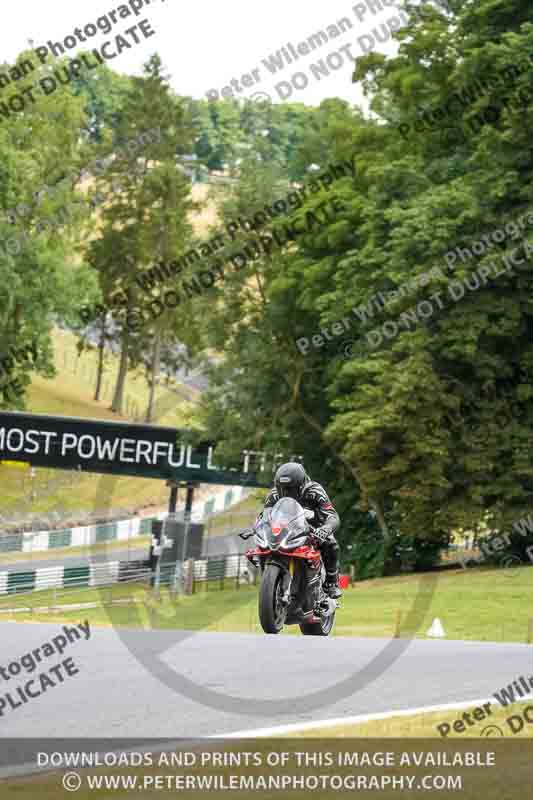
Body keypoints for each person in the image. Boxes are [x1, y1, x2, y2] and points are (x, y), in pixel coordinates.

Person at [258, 462, 342, 598]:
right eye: (282, 489)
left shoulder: (315, 491)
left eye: (290, 489)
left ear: (302, 485)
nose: (285, 493)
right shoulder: (273, 494)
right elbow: (264, 516)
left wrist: (325, 529)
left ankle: (331, 582)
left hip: (314, 527)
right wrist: (257, 528)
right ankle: (268, 582)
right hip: (286, 531)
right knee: (262, 545)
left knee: (330, 543)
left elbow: (332, 515)